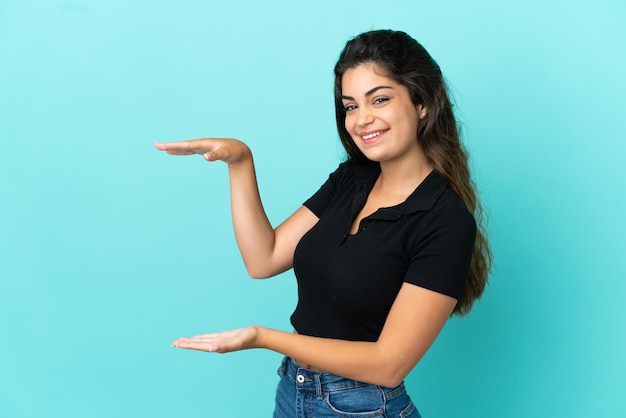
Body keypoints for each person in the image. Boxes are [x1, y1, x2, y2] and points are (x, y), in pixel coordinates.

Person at [154, 29, 491, 418]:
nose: (362, 120)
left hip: (362, 407)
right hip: (294, 391)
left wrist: (264, 338)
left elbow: (388, 364)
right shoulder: (351, 179)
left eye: (379, 99)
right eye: (350, 106)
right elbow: (263, 259)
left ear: (422, 104)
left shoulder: (445, 221)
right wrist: (240, 162)